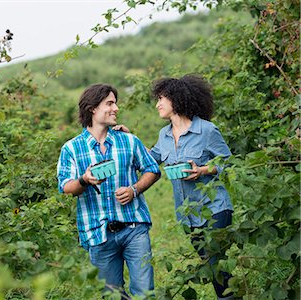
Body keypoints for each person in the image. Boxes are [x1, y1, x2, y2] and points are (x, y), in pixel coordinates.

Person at [116, 74, 235, 300]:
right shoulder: (164, 135)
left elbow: (227, 162)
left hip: (215, 208)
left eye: (162, 98)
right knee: (212, 269)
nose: (158, 104)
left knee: (215, 264)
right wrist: (130, 139)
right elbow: (149, 160)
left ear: (177, 99)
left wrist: (202, 170)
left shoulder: (207, 131)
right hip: (188, 215)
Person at [57, 83, 161, 298]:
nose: (116, 108)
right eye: (110, 103)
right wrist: (84, 180)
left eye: (115, 103)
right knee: (112, 295)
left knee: (144, 293)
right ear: (93, 108)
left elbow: (153, 169)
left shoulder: (129, 141)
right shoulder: (71, 148)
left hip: (134, 227)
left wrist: (134, 189)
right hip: (98, 233)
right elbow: (66, 188)